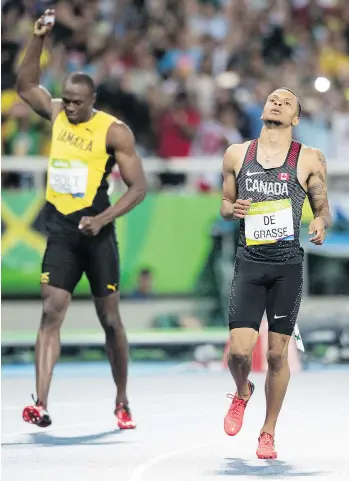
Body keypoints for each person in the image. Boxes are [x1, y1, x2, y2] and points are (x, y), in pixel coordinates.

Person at [16, 10, 147, 429]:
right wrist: (38, 38)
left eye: (76, 103)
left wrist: (103, 218)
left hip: (97, 234)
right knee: (51, 313)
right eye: (66, 101)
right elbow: (24, 86)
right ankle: (40, 402)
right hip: (61, 230)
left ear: (91, 101)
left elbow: (139, 188)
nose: (69, 108)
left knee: (110, 320)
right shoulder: (54, 112)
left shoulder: (114, 132)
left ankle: (122, 400)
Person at [220, 87, 331, 458]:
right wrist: (230, 208)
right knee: (239, 352)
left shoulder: (310, 158)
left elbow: (322, 207)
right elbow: (223, 202)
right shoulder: (237, 154)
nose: (278, 102)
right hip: (250, 263)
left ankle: (268, 431)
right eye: (272, 98)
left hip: (287, 267)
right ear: (263, 108)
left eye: (287, 102)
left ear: (296, 118)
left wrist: (320, 222)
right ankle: (241, 392)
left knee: (277, 356)